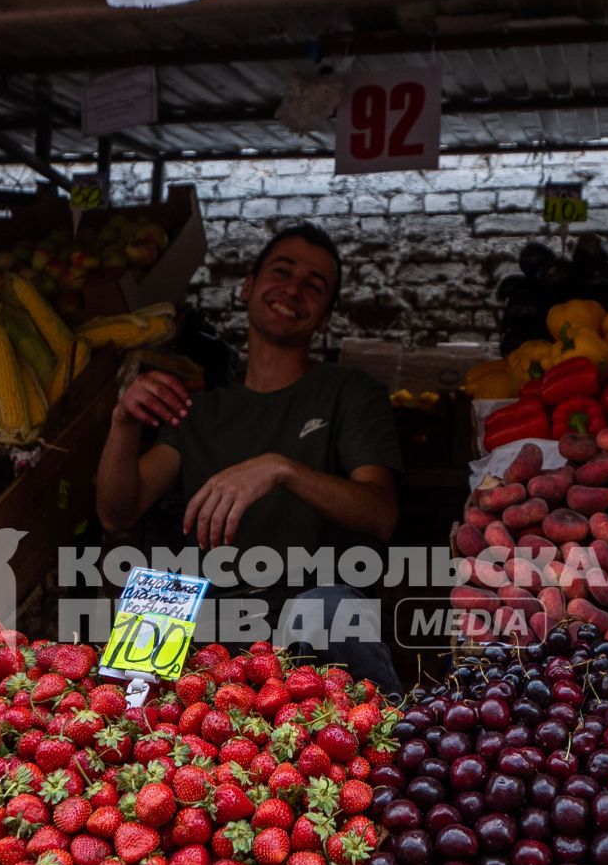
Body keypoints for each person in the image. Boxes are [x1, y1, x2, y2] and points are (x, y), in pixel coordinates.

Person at [95, 223, 404, 694]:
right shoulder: (199, 410)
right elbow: (118, 511)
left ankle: (392, 754)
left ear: (324, 318)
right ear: (248, 287)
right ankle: (130, 751)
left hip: (305, 606)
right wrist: (123, 421)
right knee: (151, 598)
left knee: (329, 607)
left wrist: (281, 468)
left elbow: (380, 514)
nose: (293, 290)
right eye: (281, 272)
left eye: (314, 286)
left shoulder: (349, 393)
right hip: (212, 609)